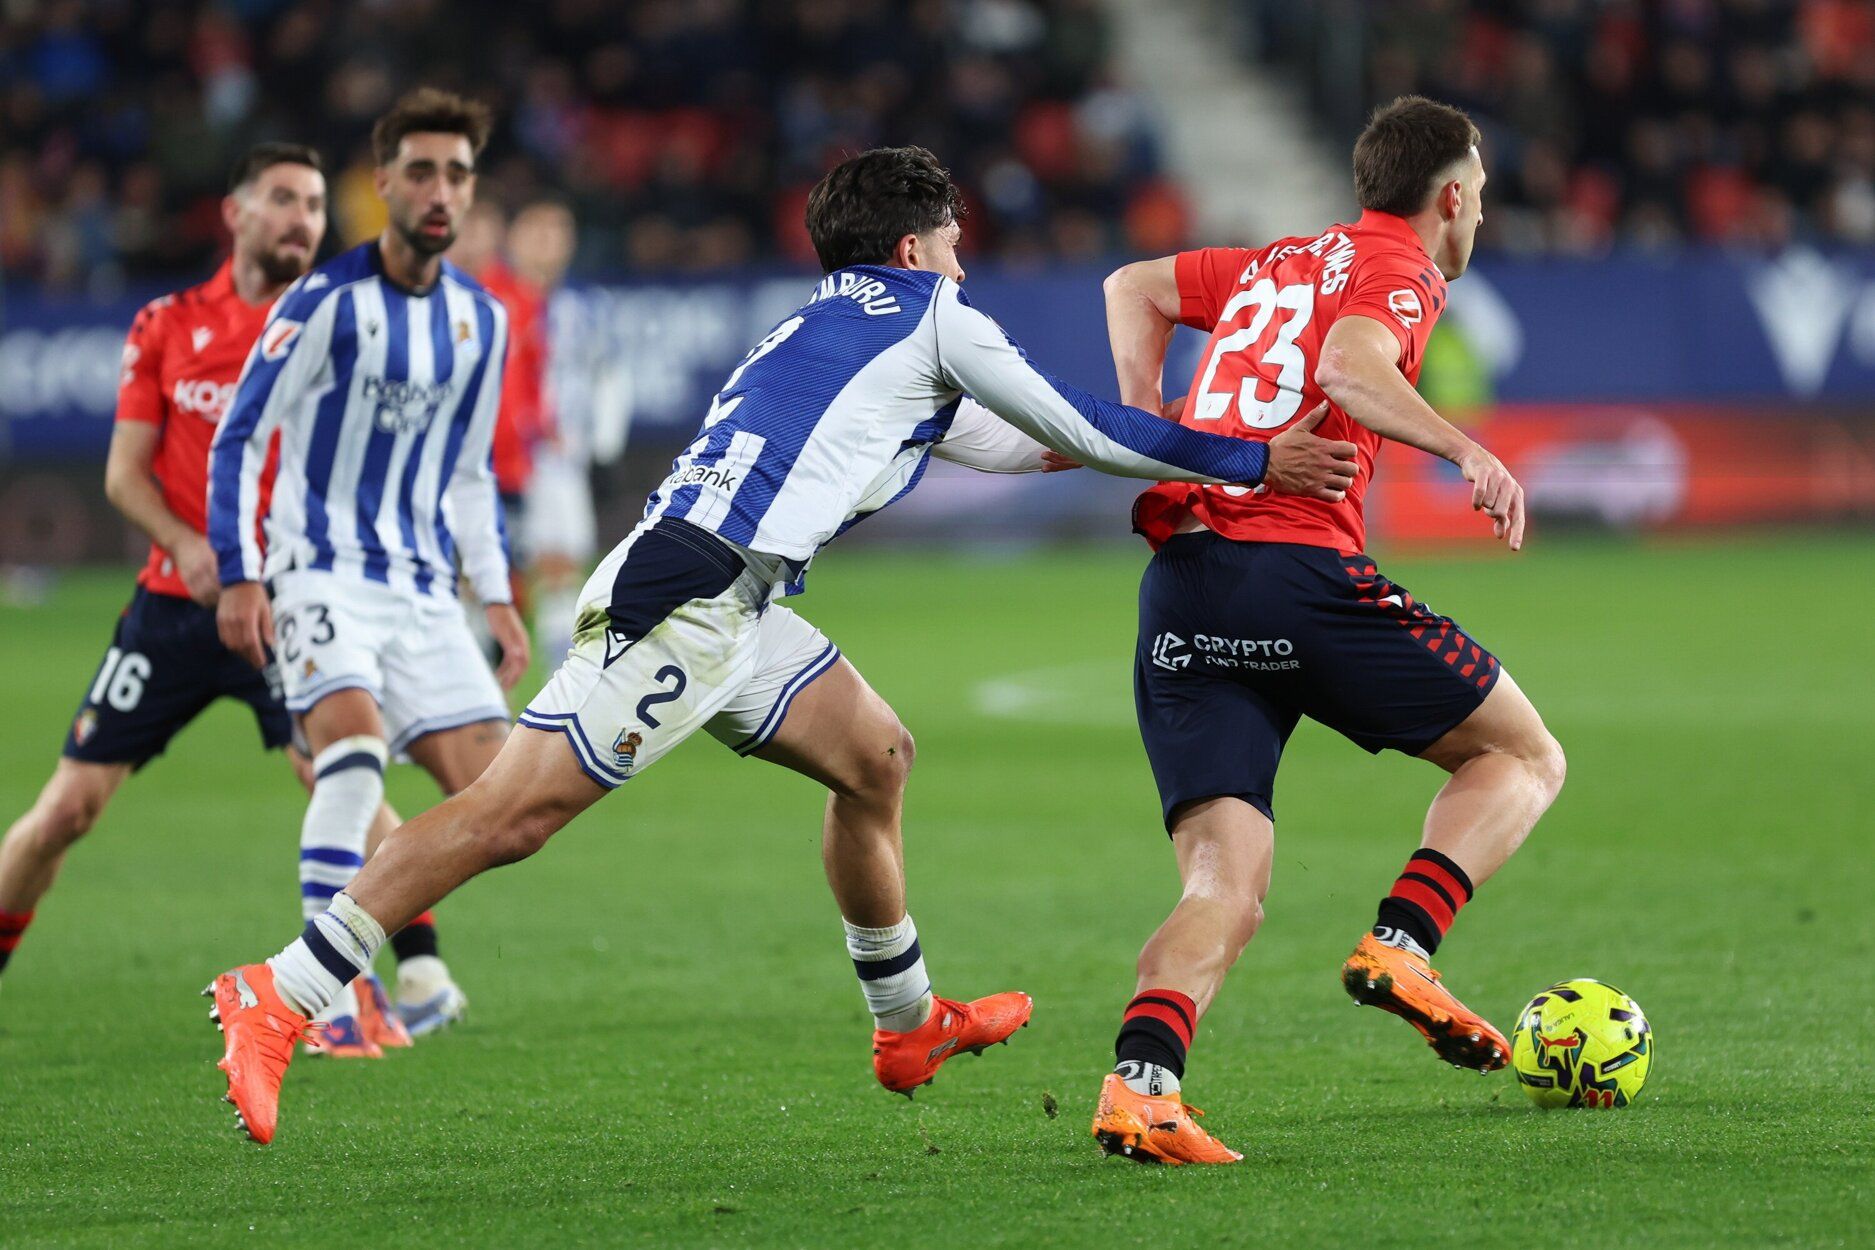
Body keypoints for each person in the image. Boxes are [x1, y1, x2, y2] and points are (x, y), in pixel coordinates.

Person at [203, 144, 1358, 1144]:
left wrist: (1173, 436)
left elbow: (1030, 444)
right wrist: (1250, 456)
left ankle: (906, 1025)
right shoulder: (933, 316)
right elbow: (1074, 423)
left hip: (733, 596)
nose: (964, 255)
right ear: (914, 247)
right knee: (511, 813)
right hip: (694, 594)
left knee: (875, 756)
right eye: (952, 235)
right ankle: (283, 986)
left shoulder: (824, 327)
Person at [1085, 95, 1569, 1165]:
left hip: (1185, 582)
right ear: (1451, 197)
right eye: (1480, 197)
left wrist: (1150, 427)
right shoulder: (1401, 267)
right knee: (1523, 751)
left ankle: (1141, 1085)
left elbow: (1134, 285)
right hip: (1293, 575)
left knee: (1225, 883)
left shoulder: (1280, 260)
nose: (1480, 215)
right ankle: (1404, 941)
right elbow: (1351, 367)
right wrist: (1468, 451)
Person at [0, 145, 442, 1044]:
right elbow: (126, 475)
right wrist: (185, 545)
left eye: (315, 205)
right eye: (282, 199)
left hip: (287, 607)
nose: (301, 220)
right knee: (68, 809)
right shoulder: (166, 323)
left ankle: (402, 976)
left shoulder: (342, 326)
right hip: (170, 609)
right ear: (236, 213)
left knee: (341, 773)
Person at [207, 89, 528, 1055]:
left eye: (457, 174)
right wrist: (243, 572)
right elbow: (240, 435)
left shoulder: (483, 321)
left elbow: (471, 475)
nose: (440, 191)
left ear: (473, 191)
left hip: (426, 591)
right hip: (318, 573)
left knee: (507, 807)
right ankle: (319, 999)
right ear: (381, 184)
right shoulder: (323, 302)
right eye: (421, 172)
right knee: (349, 753)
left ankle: (407, 965)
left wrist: (499, 597)